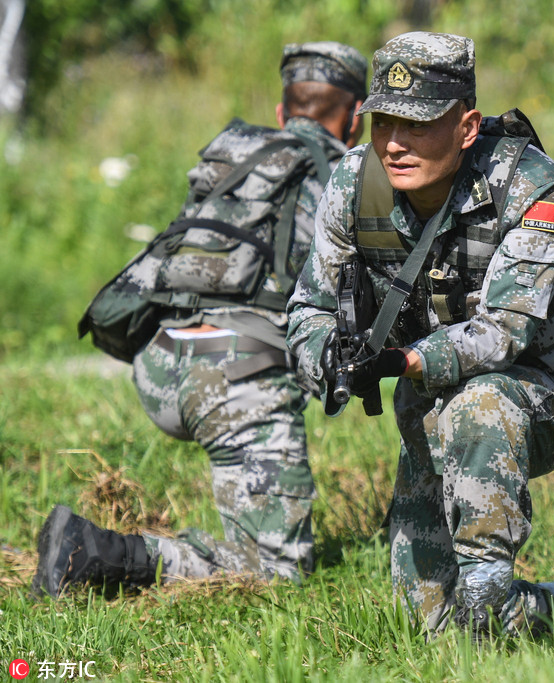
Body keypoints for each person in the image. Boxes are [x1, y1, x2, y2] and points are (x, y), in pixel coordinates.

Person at [286, 31, 554, 638]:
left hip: (533, 396)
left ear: (466, 128)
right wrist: (330, 360)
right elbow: (307, 308)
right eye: (382, 123)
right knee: (431, 628)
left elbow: (507, 332)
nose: (394, 143)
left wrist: (404, 361)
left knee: (479, 402)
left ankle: (489, 581)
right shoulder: (354, 181)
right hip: (426, 408)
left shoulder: (529, 183)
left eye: (416, 125)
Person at [33, 42, 369, 597]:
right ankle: (96, 552)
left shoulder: (241, 158)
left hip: (160, 361)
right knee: (277, 573)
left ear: (284, 113)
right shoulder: (351, 176)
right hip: (237, 381)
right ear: (355, 120)